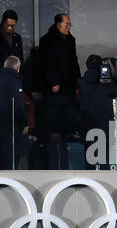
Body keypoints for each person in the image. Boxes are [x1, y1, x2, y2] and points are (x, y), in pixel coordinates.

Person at [38, 13, 81, 143]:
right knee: (53, 112)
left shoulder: (70, 40)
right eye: (66, 24)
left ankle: (68, 134)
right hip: (54, 86)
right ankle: (51, 137)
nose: (69, 27)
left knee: (69, 111)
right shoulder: (47, 40)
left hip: (68, 84)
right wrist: (53, 81)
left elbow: (74, 62)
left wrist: (77, 84)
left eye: (70, 25)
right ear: (58, 25)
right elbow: (47, 62)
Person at [78, 54, 117, 169]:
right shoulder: (107, 83)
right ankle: (103, 185)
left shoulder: (81, 82)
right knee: (104, 161)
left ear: (86, 67)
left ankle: (89, 184)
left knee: (89, 160)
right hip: (105, 124)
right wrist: (116, 78)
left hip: (88, 122)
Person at [0, 56, 28, 170]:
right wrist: (24, 123)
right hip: (12, 126)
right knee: (12, 161)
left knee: (3, 160)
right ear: (18, 69)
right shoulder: (15, 81)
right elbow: (19, 105)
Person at [0, 10, 23, 89]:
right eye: (8, 25)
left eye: (13, 25)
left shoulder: (18, 38)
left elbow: (20, 58)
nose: (10, 27)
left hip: (14, 80)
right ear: (3, 22)